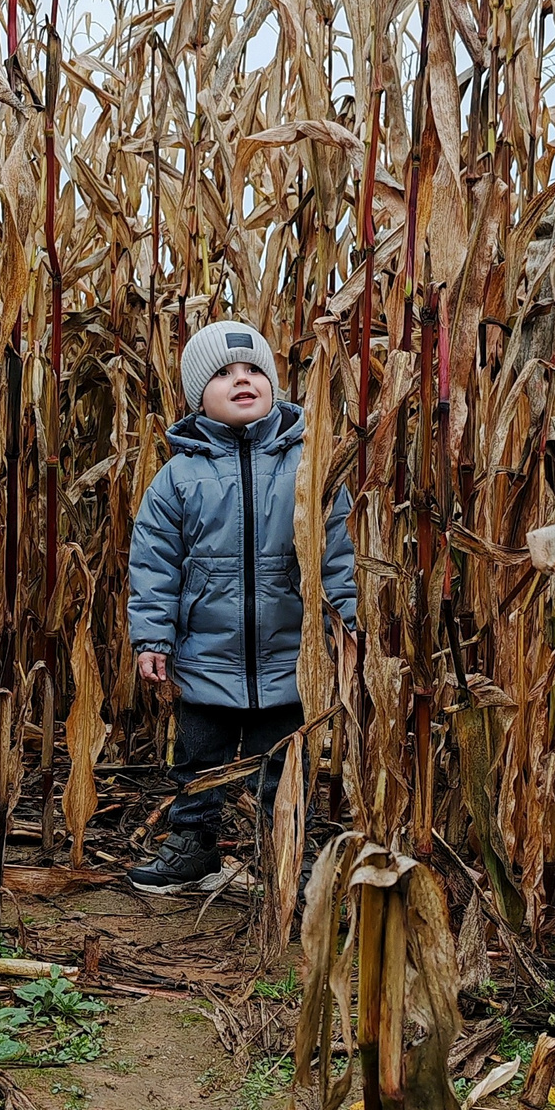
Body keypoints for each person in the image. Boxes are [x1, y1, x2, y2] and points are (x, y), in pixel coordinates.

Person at [126, 320, 355, 893]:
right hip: (206, 655)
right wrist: (152, 637)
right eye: (224, 374)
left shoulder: (308, 466)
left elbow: (336, 555)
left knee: (284, 767)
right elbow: (154, 564)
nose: (242, 380)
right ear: (197, 396)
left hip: (287, 658)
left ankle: (289, 855)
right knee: (197, 760)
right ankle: (193, 844)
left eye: (254, 370)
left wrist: (342, 626)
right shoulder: (179, 477)